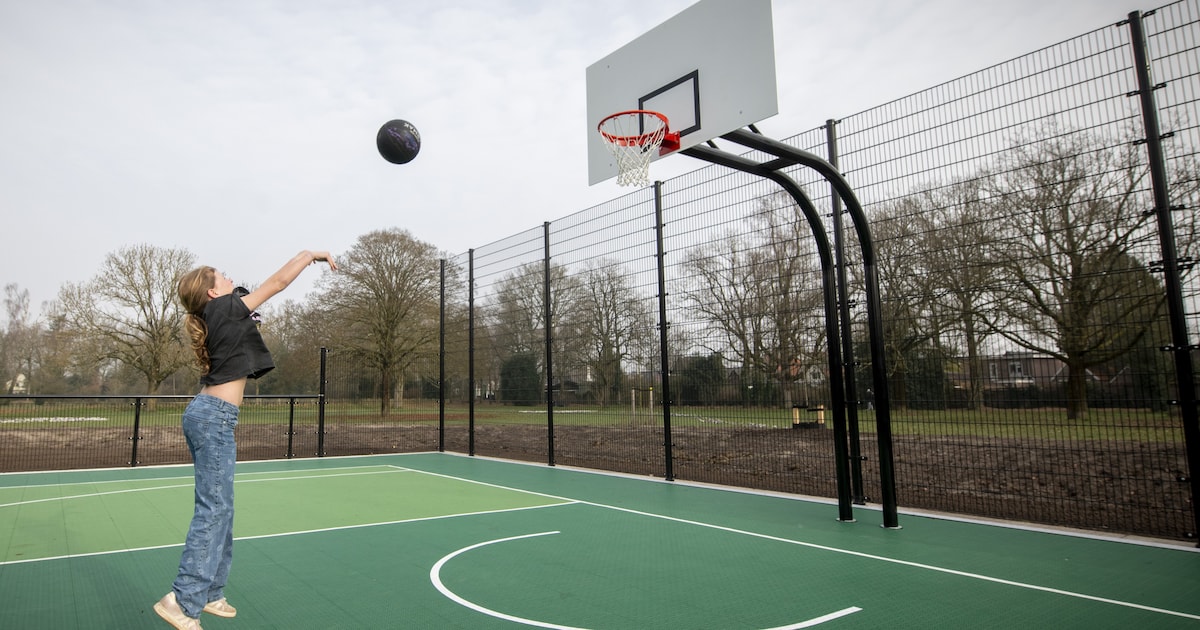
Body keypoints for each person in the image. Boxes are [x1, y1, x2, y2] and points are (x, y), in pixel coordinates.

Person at [154, 250, 336, 630]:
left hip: (213, 417)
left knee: (223, 508)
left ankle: (210, 592)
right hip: (213, 418)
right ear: (211, 293)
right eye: (221, 277)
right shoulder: (223, 309)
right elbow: (278, 283)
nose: (227, 278)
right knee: (214, 509)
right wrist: (309, 255)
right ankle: (183, 600)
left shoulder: (219, 313)